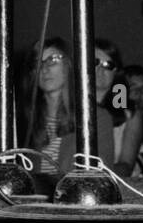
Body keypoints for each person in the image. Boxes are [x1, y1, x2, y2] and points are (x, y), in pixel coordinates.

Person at [20, 37, 114, 175]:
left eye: (53, 59)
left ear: (69, 65)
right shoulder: (24, 119)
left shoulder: (95, 118)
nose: (44, 68)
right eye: (37, 62)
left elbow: (103, 174)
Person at [94, 38, 143, 177]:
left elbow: (126, 165)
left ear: (116, 71)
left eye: (108, 65)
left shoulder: (129, 113)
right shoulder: (69, 109)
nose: (100, 69)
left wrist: (94, 176)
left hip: (120, 184)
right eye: (94, 62)